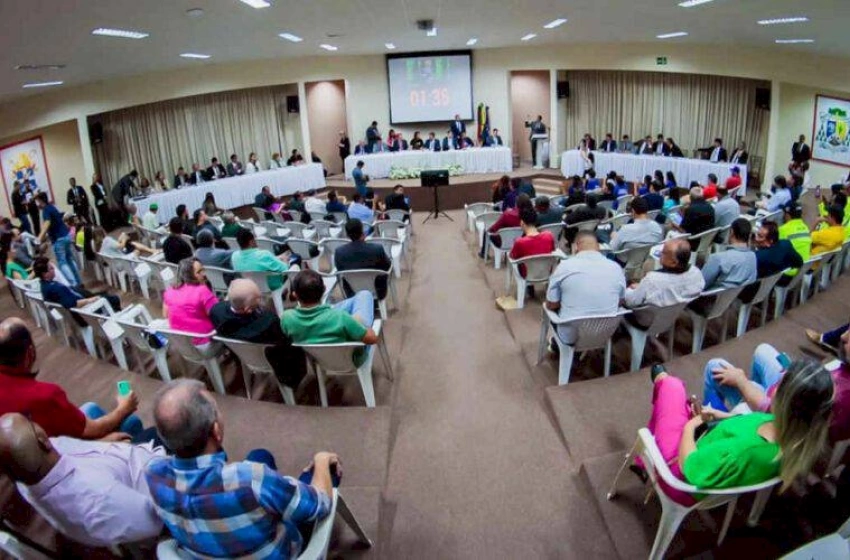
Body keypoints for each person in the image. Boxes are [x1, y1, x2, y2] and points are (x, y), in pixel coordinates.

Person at [146, 379, 338, 559]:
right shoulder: (251, 478)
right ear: (216, 431)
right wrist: (320, 460)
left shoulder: (153, 473)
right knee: (326, 469)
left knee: (260, 455)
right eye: (217, 411)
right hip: (279, 552)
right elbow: (320, 505)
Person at [637, 358, 833, 506]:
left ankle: (645, 456)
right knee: (672, 398)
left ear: (785, 399)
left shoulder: (748, 450)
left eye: (781, 381)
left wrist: (691, 426)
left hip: (678, 476)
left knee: (671, 385)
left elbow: (690, 467)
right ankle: (643, 457)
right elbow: (747, 424)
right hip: (707, 451)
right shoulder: (792, 433)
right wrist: (720, 415)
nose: (775, 385)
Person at [0, 413, 165, 547]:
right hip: (159, 479)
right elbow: (156, 522)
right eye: (29, 420)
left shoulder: (28, 468)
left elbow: (68, 447)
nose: (33, 419)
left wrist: (105, 444)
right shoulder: (97, 499)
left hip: (128, 457)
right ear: (42, 441)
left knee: (137, 424)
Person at [0, 316, 146, 440]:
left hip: (37, 453)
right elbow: (90, 430)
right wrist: (124, 408)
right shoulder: (44, 396)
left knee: (91, 407)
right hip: (58, 463)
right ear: (30, 353)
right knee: (131, 422)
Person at [210, 279, 306, 389]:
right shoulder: (269, 323)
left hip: (241, 356)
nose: (261, 300)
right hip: (272, 361)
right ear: (248, 309)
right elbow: (285, 343)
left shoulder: (216, 311)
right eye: (258, 298)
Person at [282, 270, 378, 370]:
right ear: (324, 290)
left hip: (319, 361)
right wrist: (358, 323)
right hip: (353, 360)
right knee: (365, 295)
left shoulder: (287, 318)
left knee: (359, 298)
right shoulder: (341, 317)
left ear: (295, 295)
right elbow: (372, 339)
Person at [545, 231, 625, 349]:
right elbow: (621, 301)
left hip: (571, 336)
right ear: (598, 247)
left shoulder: (564, 266)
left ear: (576, 246)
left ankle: (557, 346)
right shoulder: (616, 268)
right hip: (606, 332)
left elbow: (551, 305)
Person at [624, 238, 704, 308]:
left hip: (646, 319)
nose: (660, 253)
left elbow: (631, 302)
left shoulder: (652, 279)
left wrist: (631, 290)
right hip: (675, 313)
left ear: (673, 262)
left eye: (663, 253)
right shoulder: (696, 273)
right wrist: (642, 288)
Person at [163, 258, 218, 345]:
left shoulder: (169, 292)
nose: (204, 274)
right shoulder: (202, 291)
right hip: (205, 342)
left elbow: (165, 315)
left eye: (203, 270)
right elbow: (218, 316)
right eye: (199, 272)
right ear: (189, 276)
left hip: (183, 345)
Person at [334, 218, 392, 299]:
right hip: (378, 292)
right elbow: (388, 267)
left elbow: (340, 270)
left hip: (352, 293)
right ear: (362, 231)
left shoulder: (339, 253)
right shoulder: (377, 249)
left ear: (347, 235)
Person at [34, 193, 82, 287]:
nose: (37, 204)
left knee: (62, 262)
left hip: (58, 240)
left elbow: (47, 223)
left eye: (37, 201)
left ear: (40, 201)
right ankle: (78, 282)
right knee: (69, 259)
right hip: (66, 236)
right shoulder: (52, 207)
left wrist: (39, 237)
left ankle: (73, 285)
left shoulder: (46, 210)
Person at [701, 218, 757, 289]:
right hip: (735, 297)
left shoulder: (717, 258)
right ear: (749, 235)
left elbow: (700, 284)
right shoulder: (753, 256)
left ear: (732, 232)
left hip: (711, 298)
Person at [232, 227, 292, 291]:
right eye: (254, 239)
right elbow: (285, 269)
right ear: (251, 242)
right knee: (294, 262)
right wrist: (285, 260)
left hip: (250, 288)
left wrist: (279, 258)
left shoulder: (234, 256)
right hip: (271, 287)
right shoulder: (263, 255)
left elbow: (254, 263)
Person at [509, 208, 555, 283]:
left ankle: (528, 289)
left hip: (527, 275)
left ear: (522, 222)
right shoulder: (549, 235)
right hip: (546, 272)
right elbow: (552, 251)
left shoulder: (520, 242)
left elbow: (513, 257)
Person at [778, 204, 811, 285]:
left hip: (787, 273)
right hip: (802, 271)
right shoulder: (805, 227)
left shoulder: (783, 229)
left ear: (788, 215)